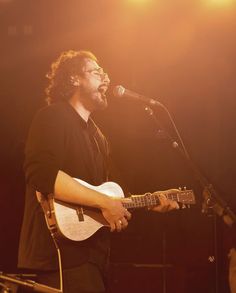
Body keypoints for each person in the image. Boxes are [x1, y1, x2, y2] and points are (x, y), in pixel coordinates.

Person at [18, 50, 178, 293]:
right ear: (74, 79)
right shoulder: (52, 117)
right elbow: (42, 174)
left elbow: (109, 196)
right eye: (96, 72)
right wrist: (104, 201)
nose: (106, 79)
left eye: (105, 73)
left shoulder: (99, 138)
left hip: (94, 258)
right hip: (59, 256)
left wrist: (150, 200)